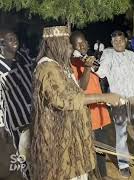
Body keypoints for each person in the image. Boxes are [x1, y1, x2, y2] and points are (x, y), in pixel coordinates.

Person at [30, 26, 122, 180]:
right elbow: (66, 100)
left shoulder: (60, 66)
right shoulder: (47, 68)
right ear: (55, 44)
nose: (70, 48)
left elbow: (78, 90)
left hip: (70, 138)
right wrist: (103, 97)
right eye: (66, 43)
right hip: (59, 143)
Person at [95, 30, 134, 178]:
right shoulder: (108, 55)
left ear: (126, 40)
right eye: (115, 41)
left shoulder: (132, 55)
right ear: (111, 42)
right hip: (119, 103)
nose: (118, 43)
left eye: (121, 40)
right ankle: (124, 165)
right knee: (121, 135)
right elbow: (101, 72)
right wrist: (93, 65)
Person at [70, 31, 112, 179]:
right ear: (72, 46)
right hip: (88, 115)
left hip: (99, 111)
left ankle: (103, 175)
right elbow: (81, 87)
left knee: (102, 148)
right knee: (91, 150)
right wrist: (87, 68)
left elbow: (101, 77)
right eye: (78, 44)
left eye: (84, 42)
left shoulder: (87, 59)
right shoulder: (73, 63)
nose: (82, 46)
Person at [0, 29, 34, 179]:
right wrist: (0, 125)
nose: (14, 40)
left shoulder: (24, 56)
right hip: (17, 121)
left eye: (15, 37)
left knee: (40, 153)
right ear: (1, 43)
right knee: (24, 157)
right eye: (9, 38)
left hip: (35, 116)